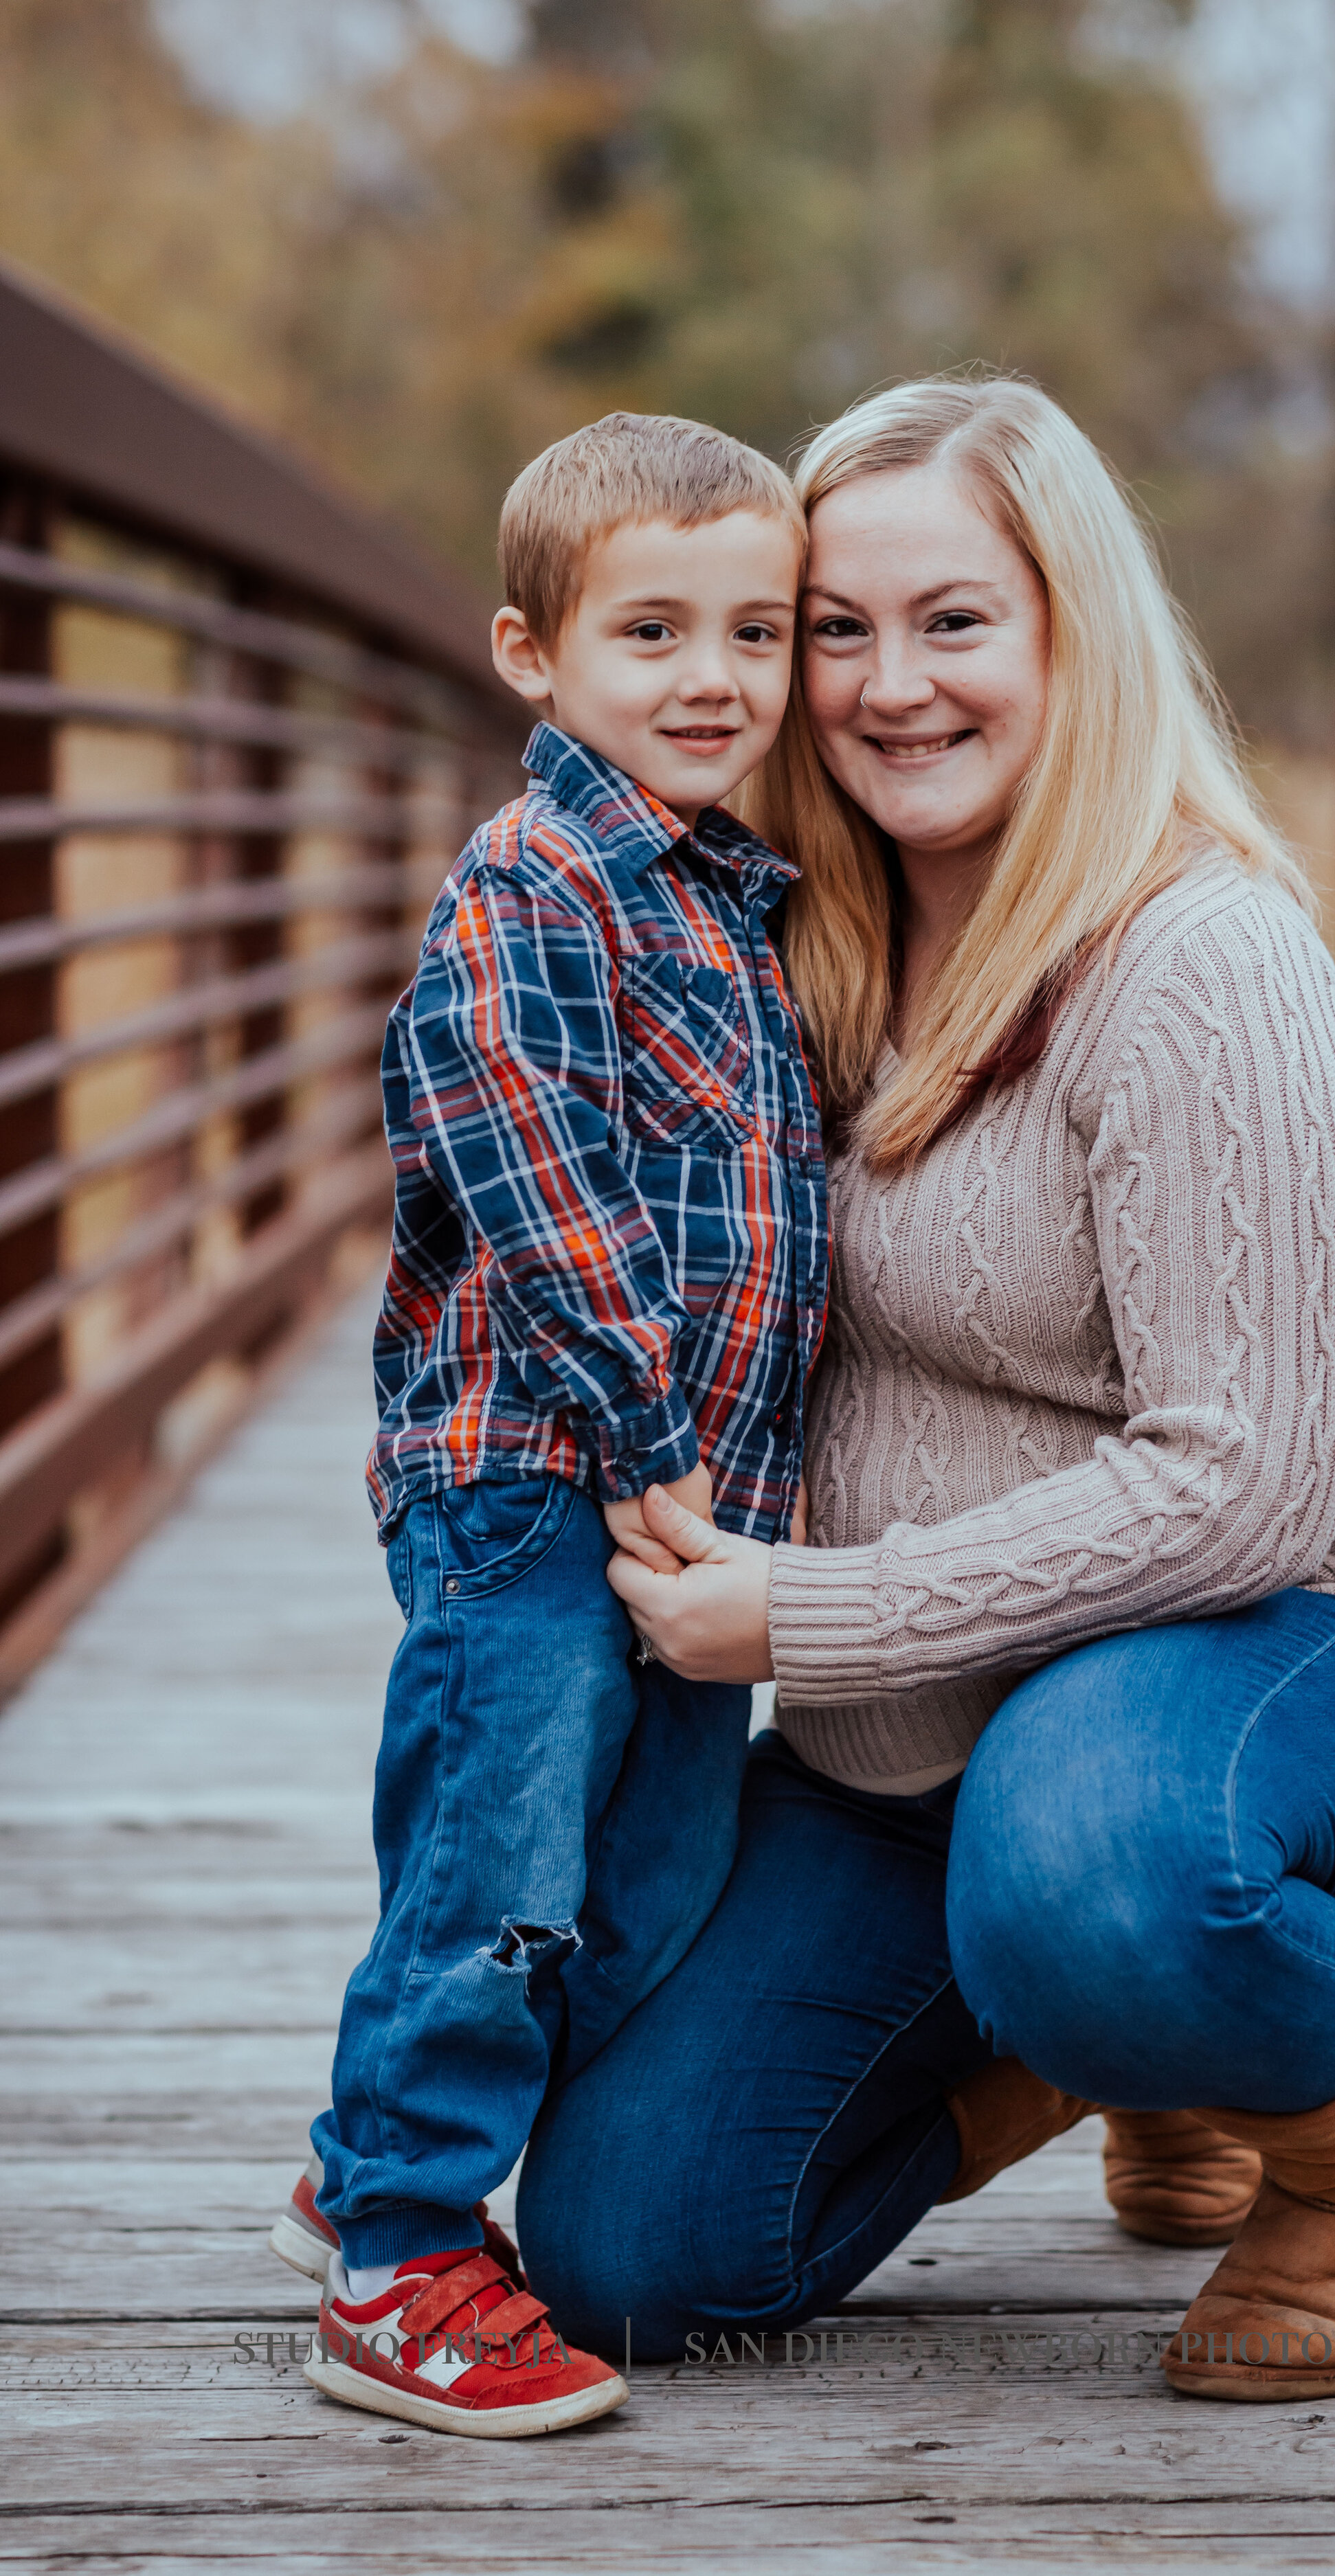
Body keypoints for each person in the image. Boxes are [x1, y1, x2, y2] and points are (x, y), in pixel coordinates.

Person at [518, 374, 1335, 2404]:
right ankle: (1108, 2037)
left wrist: (799, 1615)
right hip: (912, 1747)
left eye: (953, 621)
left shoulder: (1197, 961)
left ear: (1071, 630)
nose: (887, 688)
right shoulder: (786, 938)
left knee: (1094, 1875)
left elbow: (1237, 1486)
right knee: (635, 2255)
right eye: (837, 629)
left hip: (1271, 1650)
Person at [280, 413, 827, 2438]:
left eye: (756, 634)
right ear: (531, 654)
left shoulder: (729, 899)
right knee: (501, 1861)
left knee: (652, 1883)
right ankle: (403, 2254)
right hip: (533, 1486)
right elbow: (525, 1162)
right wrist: (643, 1428)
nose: (714, 679)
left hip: (690, 1515)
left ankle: (362, 2158)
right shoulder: (537, 887)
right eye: (652, 632)